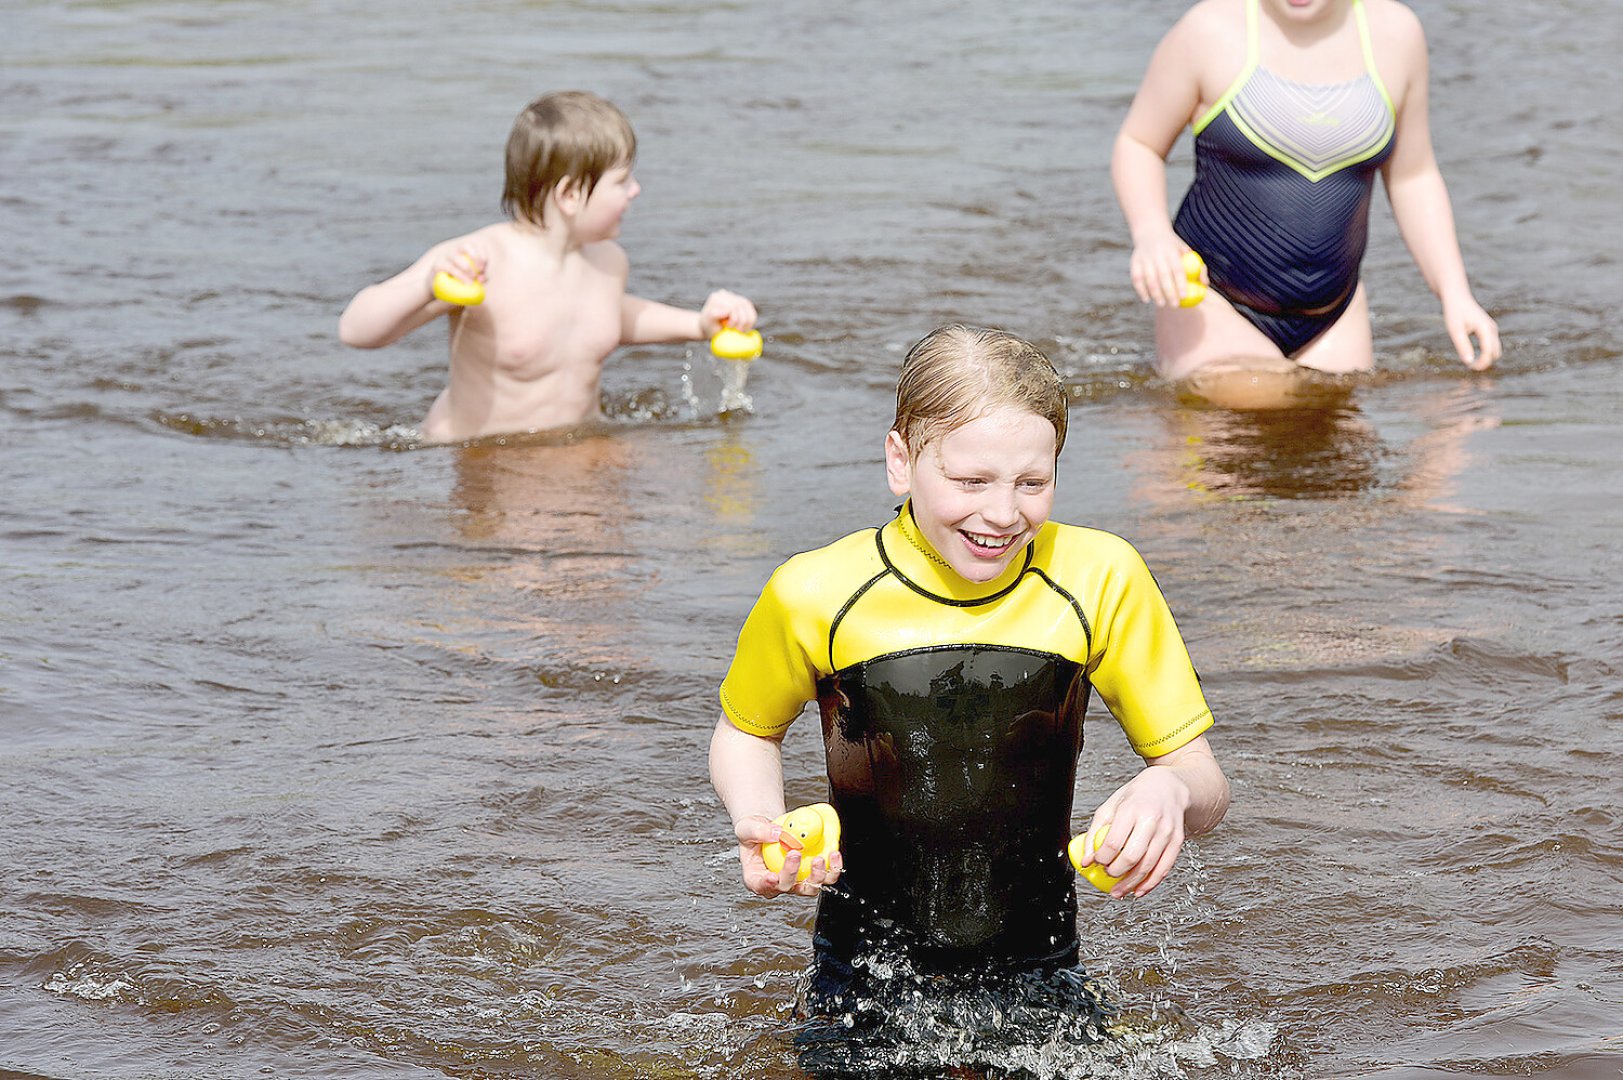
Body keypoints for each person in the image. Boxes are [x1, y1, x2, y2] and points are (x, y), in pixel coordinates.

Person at [708, 325, 1230, 1056]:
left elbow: (1202, 779)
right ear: (901, 460)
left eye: (1031, 482)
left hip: (1040, 967)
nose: (1002, 514)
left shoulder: (1101, 577)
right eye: (970, 481)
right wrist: (759, 819)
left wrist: (1168, 792)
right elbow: (747, 730)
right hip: (862, 969)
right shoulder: (815, 593)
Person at [1112, 0, 1500, 390]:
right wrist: (1152, 234)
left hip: (1336, 310)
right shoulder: (1209, 30)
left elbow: (1413, 175)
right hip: (1214, 299)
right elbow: (1139, 142)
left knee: (1341, 424)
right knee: (1256, 403)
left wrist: (1454, 292)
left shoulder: (1396, 35)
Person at [338, 90, 757, 443]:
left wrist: (700, 325)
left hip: (574, 447)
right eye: (622, 181)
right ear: (571, 194)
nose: (635, 191)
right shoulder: (480, 261)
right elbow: (357, 331)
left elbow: (608, 315)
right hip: (481, 458)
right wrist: (427, 285)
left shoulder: (608, 262)